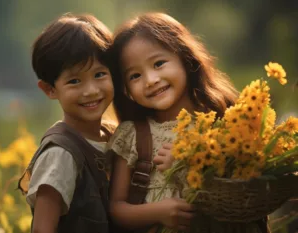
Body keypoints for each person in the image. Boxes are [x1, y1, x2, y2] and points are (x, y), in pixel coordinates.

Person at [106, 12, 268, 233]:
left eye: (159, 63)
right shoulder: (133, 134)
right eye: (135, 76)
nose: (151, 80)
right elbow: (116, 208)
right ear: (126, 89)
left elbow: (246, 188)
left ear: (185, 57)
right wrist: (158, 211)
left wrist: (188, 162)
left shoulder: (225, 120)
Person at [18, 13, 116, 233]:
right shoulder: (61, 153)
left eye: (99, 74)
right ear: (50, 89)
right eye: (74, 81)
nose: (91, 90)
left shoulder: (113, 137)